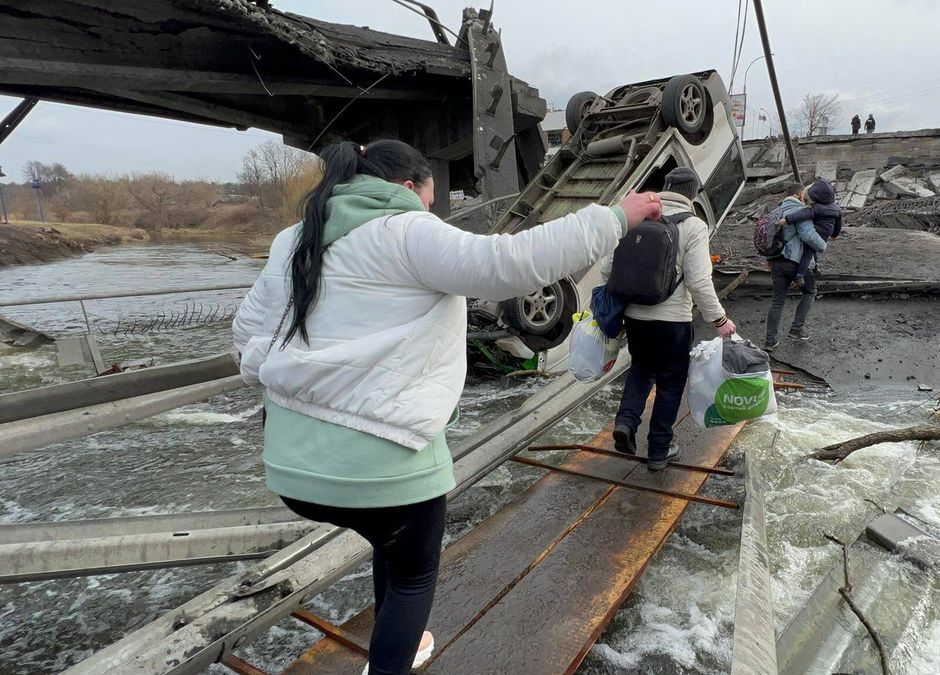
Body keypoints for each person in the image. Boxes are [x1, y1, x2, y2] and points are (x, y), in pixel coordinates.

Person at [232, 139, 662, 674]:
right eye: (430, 197)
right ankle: (391, 661)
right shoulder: (406, 232)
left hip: (292, 467)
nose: (430, 209)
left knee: (390, 546)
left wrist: (288, 388)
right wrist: (617, 217)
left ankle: (398, 646)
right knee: (413, 575)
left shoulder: (293, 239)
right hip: (383, 463)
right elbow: (511, 263)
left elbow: (247, 335)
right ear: (409, 187)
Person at [603, 167, 736, 471]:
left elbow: (606, 270)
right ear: (692, 194)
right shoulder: (693, 226)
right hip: (672, 321)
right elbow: (699, 282)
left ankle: (625, 423)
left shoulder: (636, 217)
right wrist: (720, 320)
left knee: (640, 370)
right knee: (670, 383)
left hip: (634, 317)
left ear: (665, 188)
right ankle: (660, 450)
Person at [765, 178, 843, 347]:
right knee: (810, 292)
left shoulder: (775, 212)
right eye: (803, 194)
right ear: (798, 195)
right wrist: (823, 246)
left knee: (778, 301)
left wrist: (769, 259)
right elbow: (808, 236)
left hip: (777, 261)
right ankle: (796, 329)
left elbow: (770, 237)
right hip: (797, 261)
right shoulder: (802, 211)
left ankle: (770, 341)